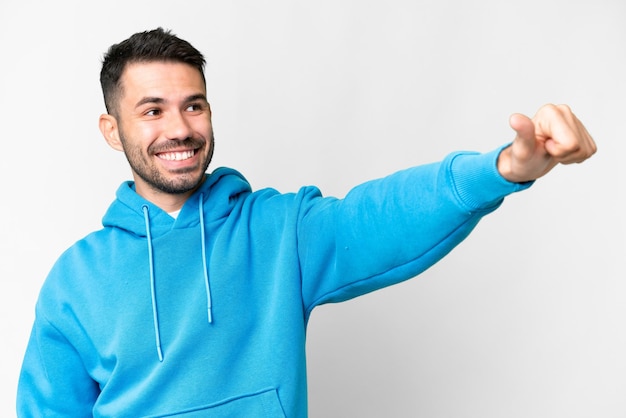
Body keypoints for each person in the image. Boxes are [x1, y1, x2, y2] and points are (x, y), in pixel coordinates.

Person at [16, 27, 596, 417]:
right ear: (112, 130)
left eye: (194, 104)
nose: (181, 128)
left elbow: (380, 215)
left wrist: (503, 167)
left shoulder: (277, 231)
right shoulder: (75, 281)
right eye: (152, 110)